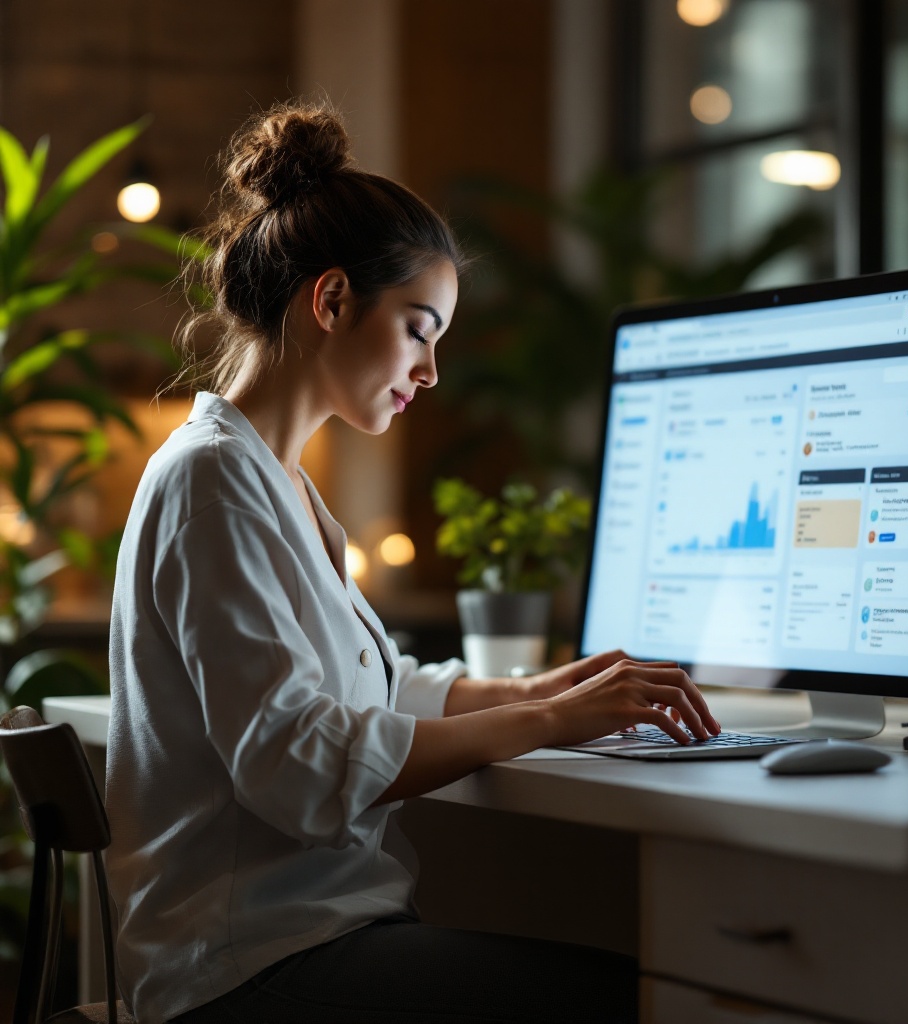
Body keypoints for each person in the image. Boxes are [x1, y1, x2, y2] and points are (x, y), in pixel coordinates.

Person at [105, 100, 720, 1024]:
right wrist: (548, 722)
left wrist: (537, 693)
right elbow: (297, 762)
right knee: (654, 998)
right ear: (333, 299)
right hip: (245, 968)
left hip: (302, 937)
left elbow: (365, 693)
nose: (430, 371)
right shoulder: (212, 482)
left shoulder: (272, 482)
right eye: (421, 328)